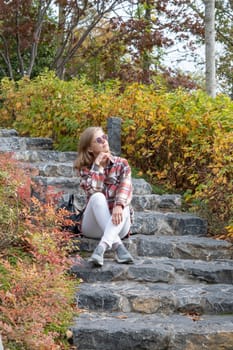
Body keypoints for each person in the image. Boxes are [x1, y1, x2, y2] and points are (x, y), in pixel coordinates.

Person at [74, 126, 134, 267]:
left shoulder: (122, 164)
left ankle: (101, 248)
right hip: (93, 227)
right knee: (97, 197)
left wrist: (119, 205)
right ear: (90, 149)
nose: (104, 141)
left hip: (118, 225)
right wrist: (97, 167)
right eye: (99, 140)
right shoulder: (85, 169)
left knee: (124, 205)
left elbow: (125, 188)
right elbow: (93, 190)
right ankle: (118, 247)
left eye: (105, 137)